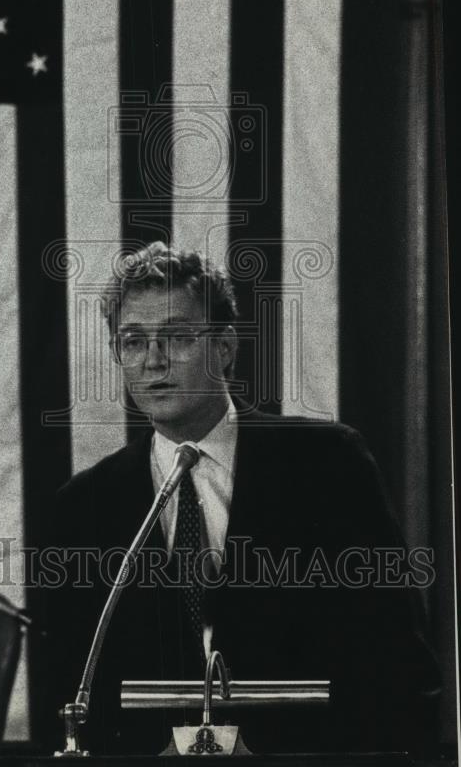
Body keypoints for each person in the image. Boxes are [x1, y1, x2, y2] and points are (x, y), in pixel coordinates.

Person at [46, 241, 440, 755]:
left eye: (177, 337)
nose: (153, 360)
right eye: (133, 341)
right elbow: (74, 688)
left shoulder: (328, 464)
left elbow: (396, 659)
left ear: (226, 347)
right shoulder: (85, 503)